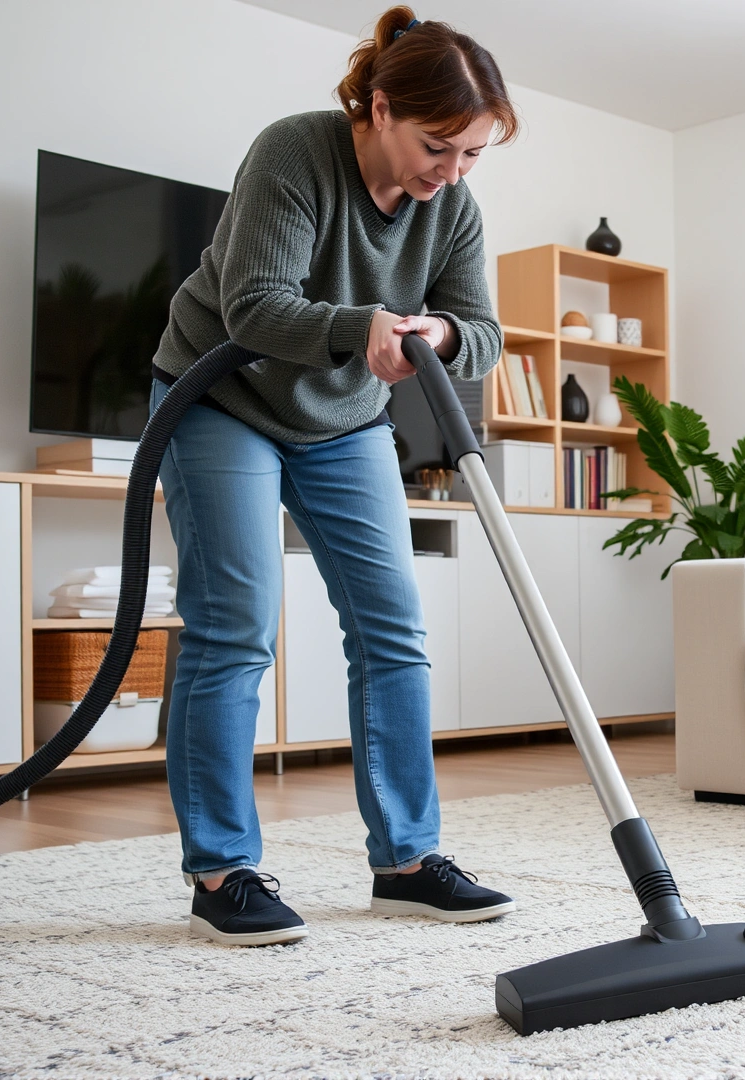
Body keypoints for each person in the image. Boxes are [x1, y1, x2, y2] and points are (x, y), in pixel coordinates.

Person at [150, 6, 516, 945]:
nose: (452, 172)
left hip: (343, 420)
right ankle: (223, 872)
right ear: (380, 108)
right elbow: (254, 304)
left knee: (394, 628)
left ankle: (406, 858)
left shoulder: (453, 209)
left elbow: (481, 333)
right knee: (235, 626)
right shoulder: (295, 154)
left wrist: (435, 331)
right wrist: (361, 328)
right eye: (439, 146)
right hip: (219, 398)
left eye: (472, 154)